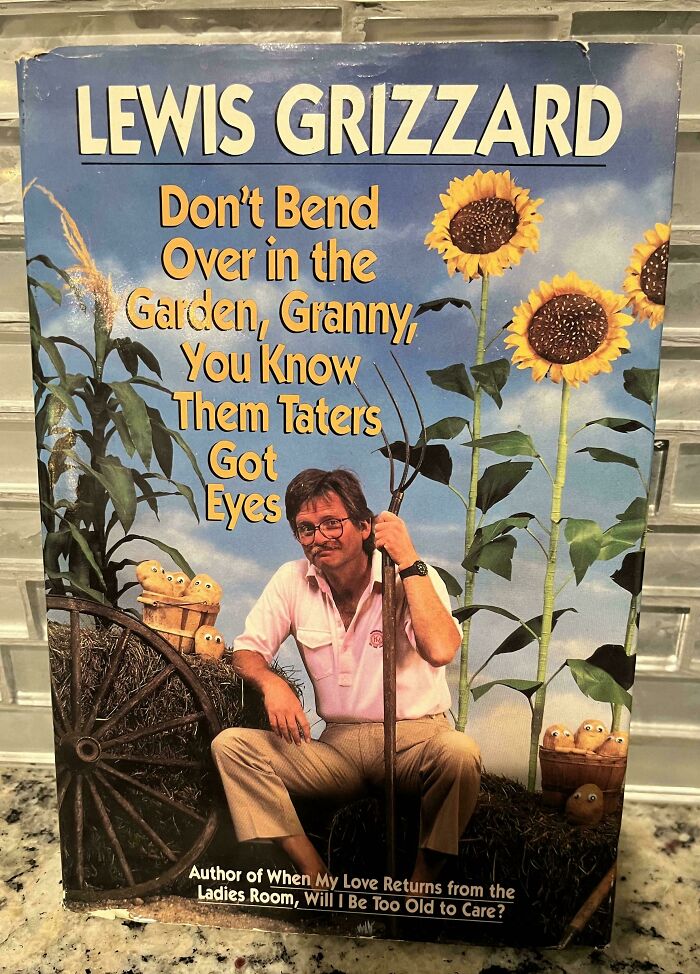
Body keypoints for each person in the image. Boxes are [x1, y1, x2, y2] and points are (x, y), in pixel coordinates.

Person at [211, 468, 481, 886]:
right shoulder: (291, 580)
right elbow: (247, 652)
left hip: (416, 742)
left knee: (460, 753)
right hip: (337, 750)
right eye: (305, 529)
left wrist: (409, 562)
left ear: (363, 526)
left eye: (331, 523)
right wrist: (272, 684)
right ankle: (313, 870)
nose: (319, 537)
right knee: (231, 746)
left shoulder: (410, 575)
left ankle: (423, 880)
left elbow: (442, 649)